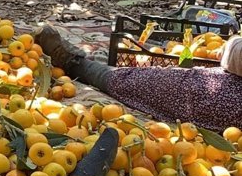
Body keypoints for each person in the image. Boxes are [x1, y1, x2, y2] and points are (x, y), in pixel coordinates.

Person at [35, 25, 242, 131]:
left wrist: (229, 47)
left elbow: (236, 56)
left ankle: (74, 63)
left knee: (137, 82)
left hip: (222, 99)